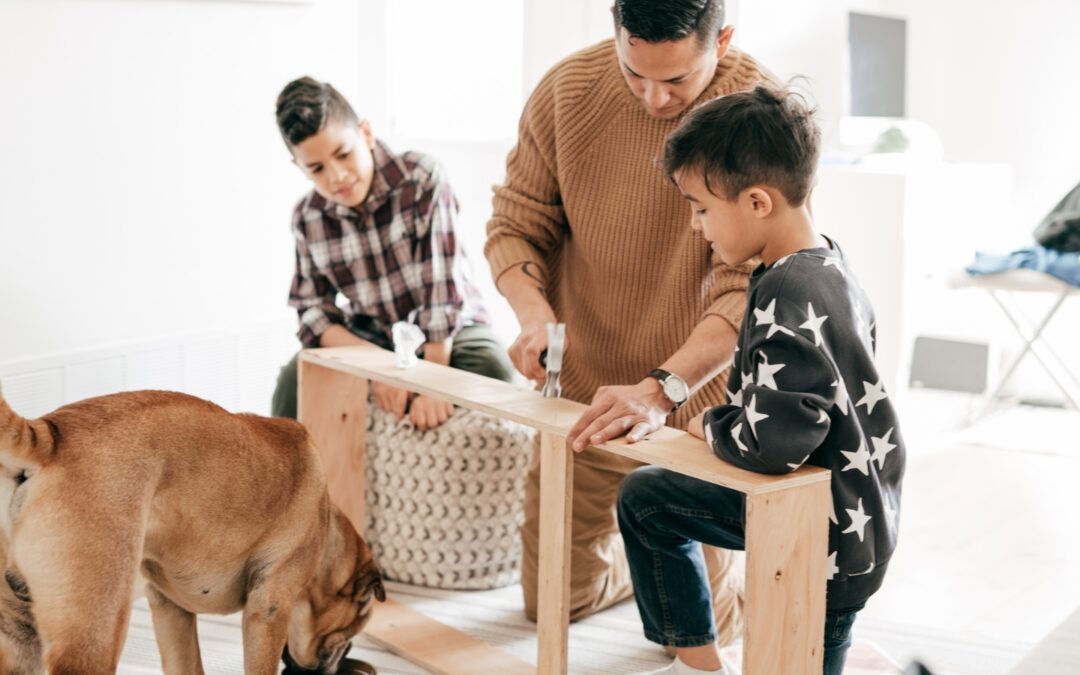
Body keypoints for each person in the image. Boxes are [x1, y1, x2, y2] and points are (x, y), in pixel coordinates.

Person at [485, 0, 775, 637]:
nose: (653, 99)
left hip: (694, 407)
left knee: (705, 628)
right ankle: (635, 561)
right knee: (552, 605)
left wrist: (660, 389)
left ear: (721, 42)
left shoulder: (756, 111)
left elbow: (747, 290)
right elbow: (515, 223)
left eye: (677, 81)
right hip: (584, 397)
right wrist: (534, 316)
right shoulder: (567, 89)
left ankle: (710, 581)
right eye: (633, 72)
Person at [618, 85, 906, 675]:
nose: (698, 227)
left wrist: (710, 422)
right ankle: (699, 663)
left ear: (755, 202)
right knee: (648, 496)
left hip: (820, 534)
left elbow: (773, 444)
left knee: (647, 502)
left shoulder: (787, 289)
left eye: (700, 208)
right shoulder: (829, 265)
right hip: (856, 517)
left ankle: (697, 662)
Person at [271, 76, 514, 430]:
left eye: (343, 154)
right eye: (317, 169)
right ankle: (291, 483)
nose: (337, 176)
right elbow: (313, 313)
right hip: (371, 338)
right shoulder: (307, 216)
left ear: (365, 134)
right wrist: (381, 368)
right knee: (295, 377)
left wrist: (432, 383)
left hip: (449, 334)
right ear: (299, 168)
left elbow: (441, 295)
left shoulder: (421, 179)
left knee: (494, 368)